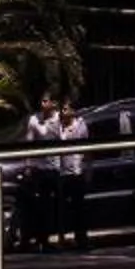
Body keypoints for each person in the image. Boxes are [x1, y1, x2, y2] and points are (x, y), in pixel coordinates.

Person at [22, 96, 66, 248]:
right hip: (41, 169)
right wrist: (28, 166)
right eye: (41, 101)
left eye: (46, 101)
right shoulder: (34, 120)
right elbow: (29, 144)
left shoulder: (59, 119)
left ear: (53, 103)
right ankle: (43, 240)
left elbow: (65, 139)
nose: (43, 104)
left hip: (57, 168)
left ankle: (61, 238)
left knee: (59, 205)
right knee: (43, 206)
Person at [56, 96, 92, 249]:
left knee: (79, 208)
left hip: (77, 172)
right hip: (62, 173)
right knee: (61, 208)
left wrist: (88, 169)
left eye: (65, 109)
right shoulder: (59, 127)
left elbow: (87, 150)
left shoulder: (80, 126)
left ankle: (81, 239)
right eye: (61, 110)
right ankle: (62, 239)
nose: (62, 112)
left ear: (72, 111)